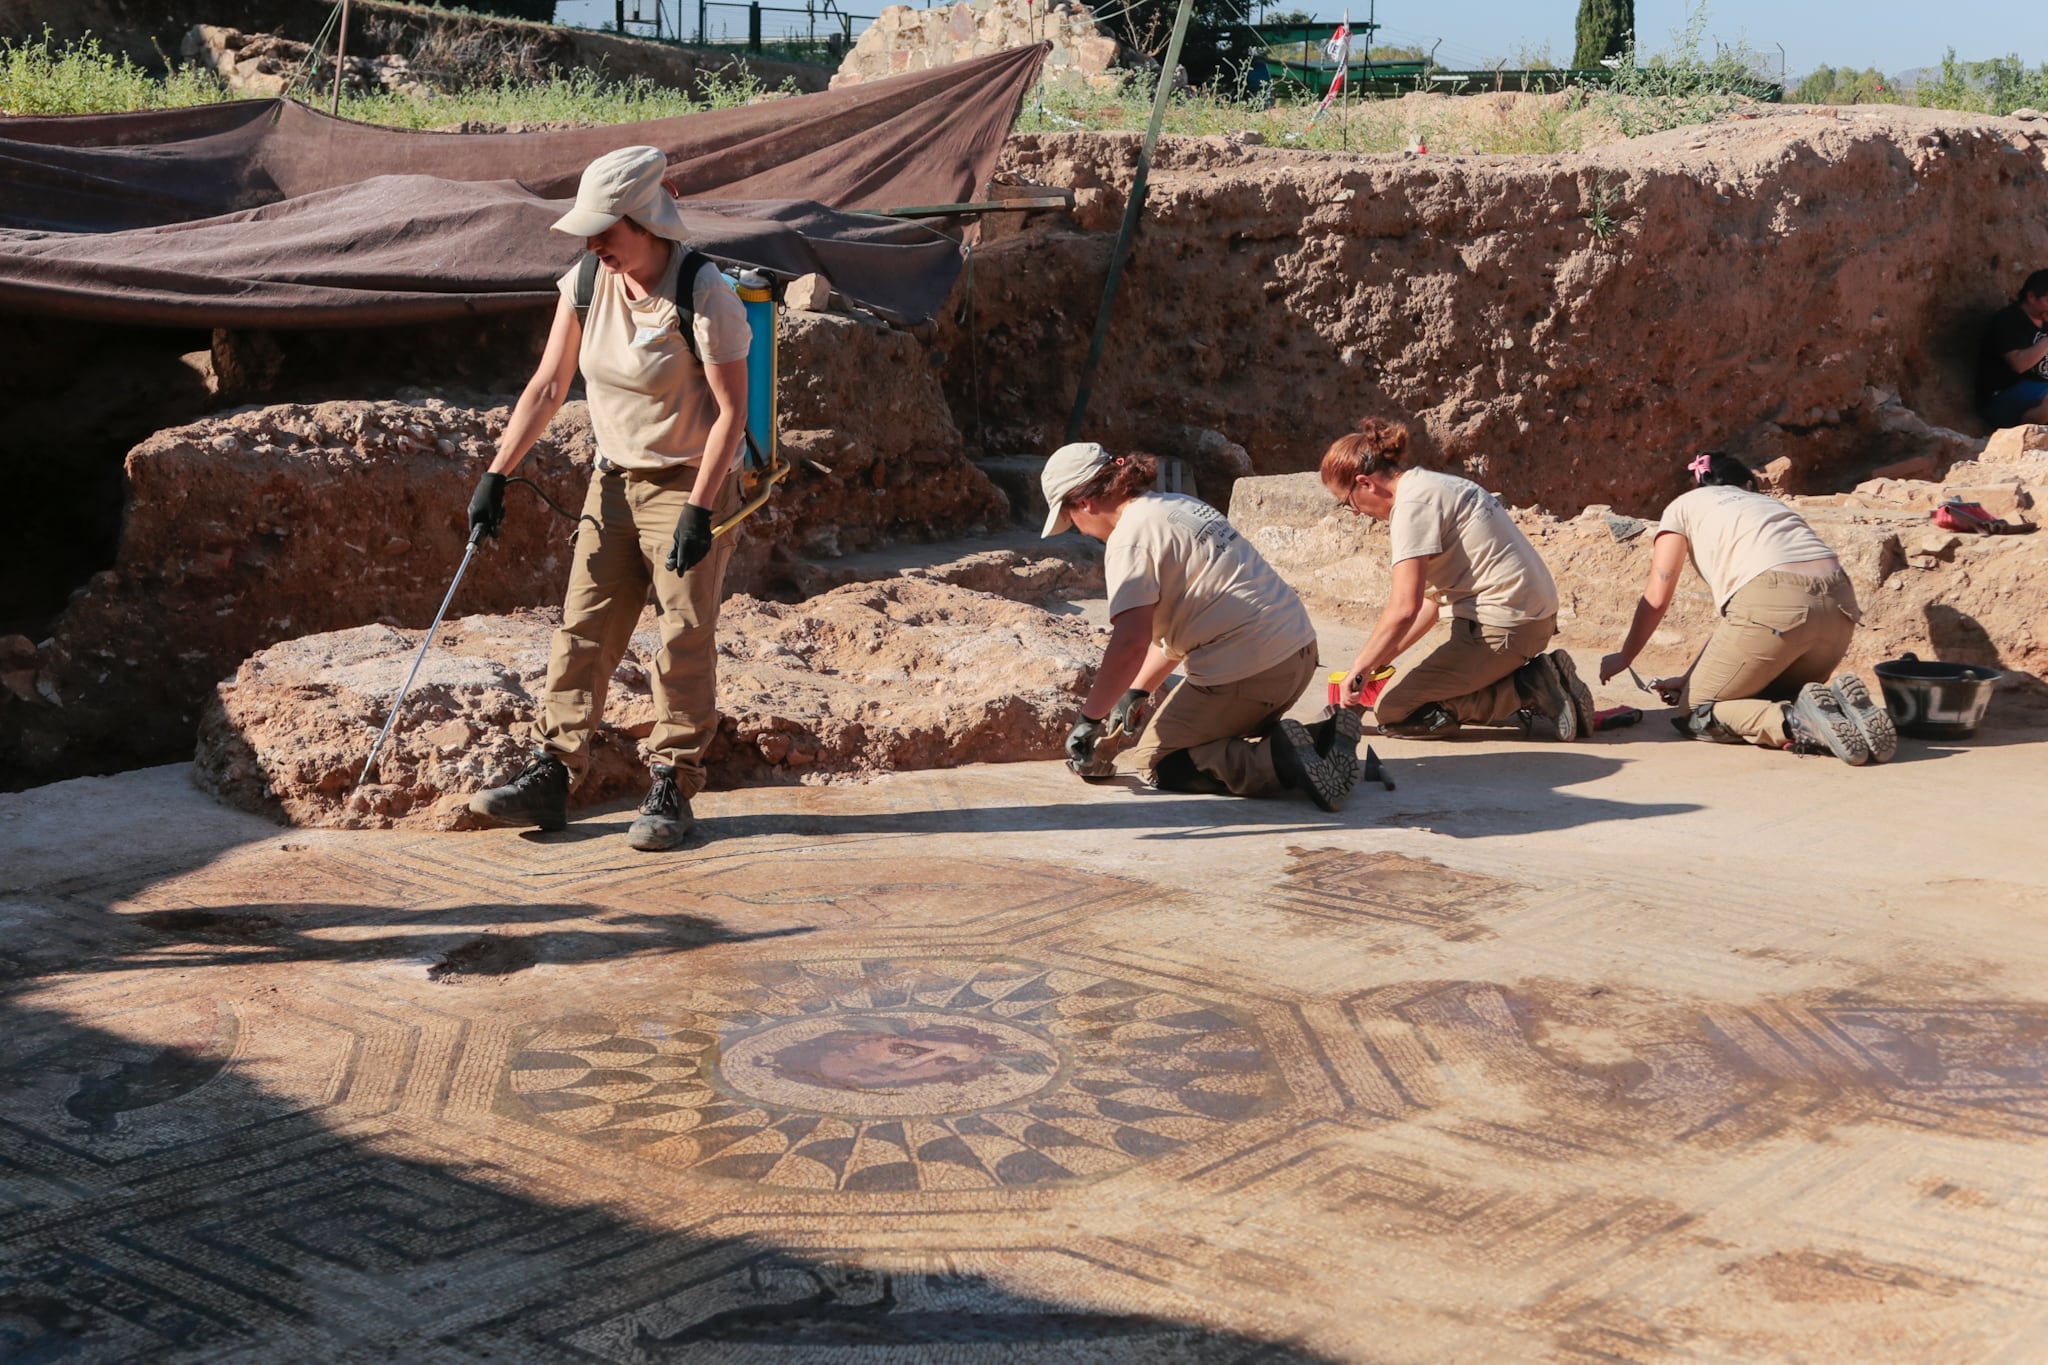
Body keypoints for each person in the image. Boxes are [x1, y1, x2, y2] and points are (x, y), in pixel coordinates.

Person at [463, 145, 751, 850]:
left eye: (607, 231)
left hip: (689, 477)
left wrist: (700, 509)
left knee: (683, 633)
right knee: (583, 626)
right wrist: (497, 473)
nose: (595, 244)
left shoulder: (703, 291)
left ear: (647, 220)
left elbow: (730, 414)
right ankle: (553, 772)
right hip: (613, 479)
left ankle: (674, 783)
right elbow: (548, 385)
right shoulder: (587, 279)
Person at [1043, 441, 1361, 810]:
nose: (1080, 532)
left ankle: (1279, 760)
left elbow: (1130, 642)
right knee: (1210, 732)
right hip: (1297, 655)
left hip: (1251, 670)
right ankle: (1320, 738)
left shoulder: (1129, 540)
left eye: (1071, 520)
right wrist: (1137, 691)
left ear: (1084, 502)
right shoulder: (1178, 505)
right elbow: (1186, 622)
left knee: (1160, 760)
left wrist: (1089, 718)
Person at [1597, 451, 1895, 765]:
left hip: (1775, 609)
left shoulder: (1683, 506)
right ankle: (1841, 708)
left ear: (1699, 483)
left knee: (1695, 711)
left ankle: (1798, 722)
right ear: (1746, 484)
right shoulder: (1770, 505)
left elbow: (1657, 597)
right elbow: (1741, 622)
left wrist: (1624, 656)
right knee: (1762, 696)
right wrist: (1689, 677)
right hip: (1840, 608)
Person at [1319, 417, 1592, 741]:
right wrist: (1373, 666)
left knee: (1395, 711)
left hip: (1503, 626)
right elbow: (1428, 604)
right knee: (1407, 686)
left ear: (1365, 483)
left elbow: (1403, 608)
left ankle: (1525, 688)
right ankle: (1537, 679)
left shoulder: (1411, 507)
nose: (1354, 512)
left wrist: (1360, 668)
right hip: (1526, 619)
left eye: (1347, 501)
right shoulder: (1429, 485)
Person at [1975, 269, 2048, 430]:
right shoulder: (2009, 320)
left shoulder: (2045, 321)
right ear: (2031, 297)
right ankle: (2025, 434)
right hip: (2001, 397)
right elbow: (2019, 364)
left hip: (2038, 393)